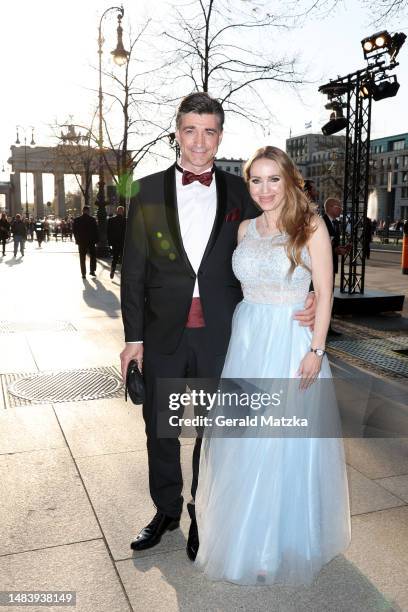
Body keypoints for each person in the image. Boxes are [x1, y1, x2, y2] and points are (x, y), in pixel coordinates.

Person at [119, 93, 317, 561]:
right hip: (163, 331)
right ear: (177, 133)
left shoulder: (239, 190)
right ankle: (166, 510)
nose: (200, 141)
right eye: (191, 130)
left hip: (225, 335)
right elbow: (133, 271)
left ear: (221, 135)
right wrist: (133, 339)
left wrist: (310, 290)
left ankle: (203, 512)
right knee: (160, 429)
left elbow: (289, 231)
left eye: (210, 131)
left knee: (216, 431)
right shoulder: (145, 191)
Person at [195, 146, 350, 585]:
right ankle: (247, 532)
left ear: (289, 179)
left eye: (273, 179)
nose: (264, 189)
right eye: (256, 181)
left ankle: (274, 542)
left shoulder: (311, 226)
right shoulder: (245, 229)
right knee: (245, 440)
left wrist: (316, 350)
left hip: (288, 342)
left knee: (280, 441)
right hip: (247, 341)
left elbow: (325, 291)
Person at [322, 198, 350, 337]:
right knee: (324, 296)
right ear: (332, 207)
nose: (341, 209)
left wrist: (340, 249)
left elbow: (333, 245)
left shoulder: (335, 223)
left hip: (331, 265)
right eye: (339, 206)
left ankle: (328, 326)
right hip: (322, 266)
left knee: (329, 296)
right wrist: (334, 250)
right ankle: (322, 327)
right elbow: (321, 245)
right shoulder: (321, 222)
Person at [73, 206, 98, 279]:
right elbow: (96, 231)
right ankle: (92, 270)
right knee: (93, 256)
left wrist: (77, 240)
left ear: (82, 211)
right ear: (88, 211)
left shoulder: (77, 220)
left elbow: (74, 231)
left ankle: (83, 273)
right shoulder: (92, 219)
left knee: (82, 258)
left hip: (81, 241)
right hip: (91, 241)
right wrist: (96, 240)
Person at [107, 205, 126, 279]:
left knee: (114, 258)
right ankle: (123, 273)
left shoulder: (111, 220)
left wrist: (110, 243)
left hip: (115, 242)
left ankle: (112, 270)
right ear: (123, 212)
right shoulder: (125, 220)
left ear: (117, 211)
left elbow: (108, 232)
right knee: (123, 258)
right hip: (123, 242)